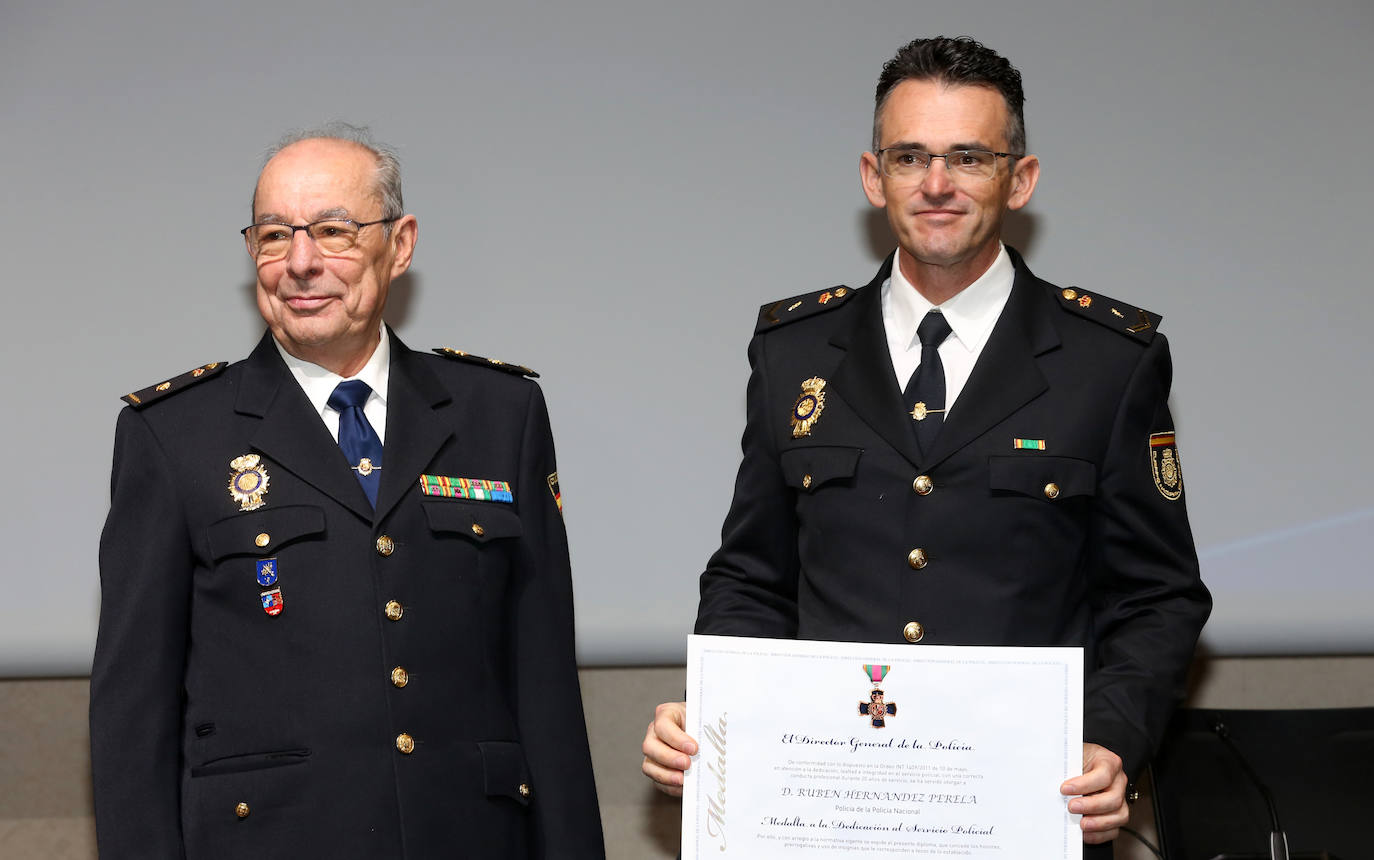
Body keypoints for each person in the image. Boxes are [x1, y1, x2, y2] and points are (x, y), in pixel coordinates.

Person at [642, 37, 1211, 853]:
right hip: (827, 822)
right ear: (874, 177)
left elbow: (1158, 596)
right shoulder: (795, 351)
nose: (936, 185)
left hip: (1022, 814)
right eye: (910, 156)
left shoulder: (1108, 360)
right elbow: (752, 576)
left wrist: (1110, 741)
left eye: (968, 157)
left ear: (1021, 178)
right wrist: (718, 713)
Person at [90, 125, 605, 858]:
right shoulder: (175, 435)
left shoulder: (499, 415)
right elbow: (130, 718)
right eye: (274, 236)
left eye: (332, 230)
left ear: (400, 244)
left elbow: (547, 687)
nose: (300, 263)